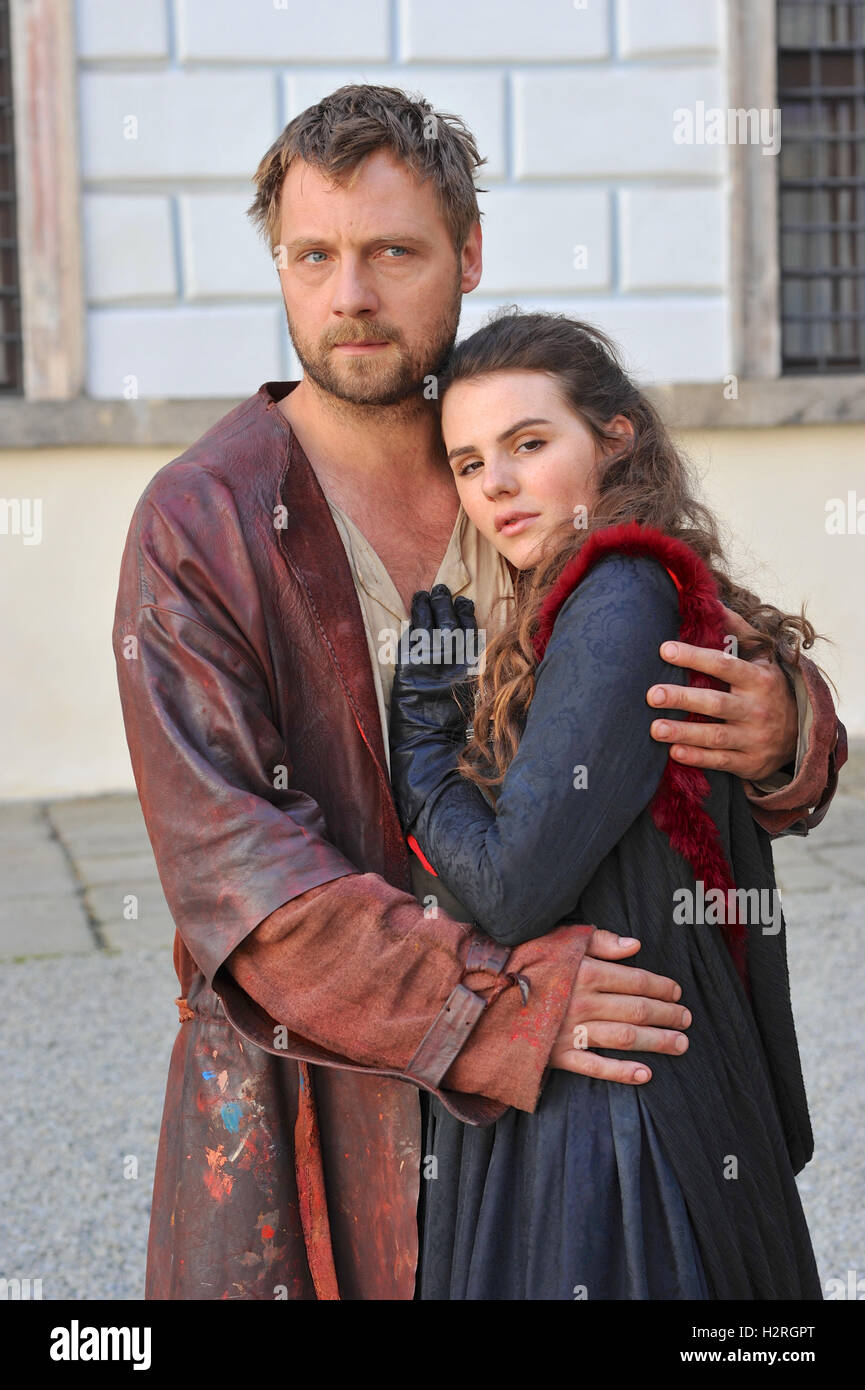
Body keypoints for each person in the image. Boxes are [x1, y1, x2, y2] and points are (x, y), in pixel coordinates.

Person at [112, 85, 845, 1300]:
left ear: (469, 254)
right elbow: (242, 883)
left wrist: (787, 731)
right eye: (313, 255)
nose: (350, 294)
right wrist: (495, 1003)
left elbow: (700, 624)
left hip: (570, 1121)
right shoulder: (202, 526)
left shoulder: (512, 446)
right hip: (328, 1104)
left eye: (394, 251)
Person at [388, 309, 832, 1300]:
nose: (494, 483)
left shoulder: (620, 589)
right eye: (467, 462)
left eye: (528, 444)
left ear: (615, 437)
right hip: (591, 1065)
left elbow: (512, 887)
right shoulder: (590, 591)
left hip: (623, 1116)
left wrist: (421, 760)